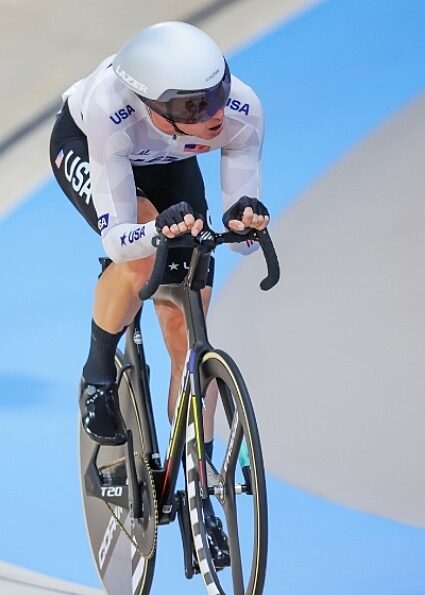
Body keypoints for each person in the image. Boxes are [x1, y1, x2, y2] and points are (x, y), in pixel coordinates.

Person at [50, 21, 271, 565]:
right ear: (151, 101)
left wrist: (245, 221)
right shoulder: (109, 109)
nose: (213, 113)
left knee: (186, 316)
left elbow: (239, 233)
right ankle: (98, 373)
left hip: (169, 162)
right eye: (194, 105)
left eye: (216, 93)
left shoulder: (241, 109)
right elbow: (121, 240)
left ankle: (199, 478)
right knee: (144, 261)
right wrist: (155, 232)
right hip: (92, 149)